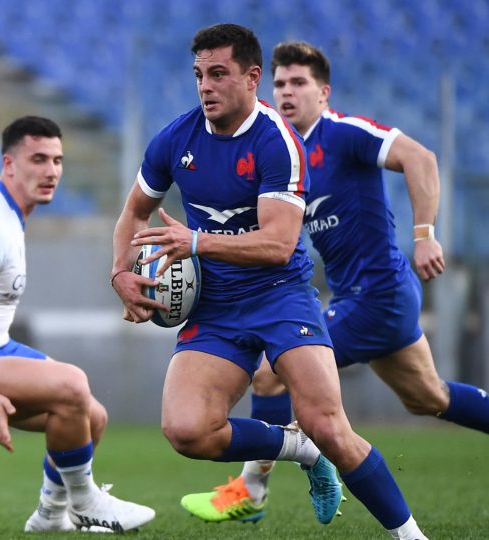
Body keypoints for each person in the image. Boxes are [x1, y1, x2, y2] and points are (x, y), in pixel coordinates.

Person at [180, 40, 489, 525]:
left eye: (299, 83)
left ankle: (252, 490)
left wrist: (425, 234)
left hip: (379, 294)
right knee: (428, 397)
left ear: (323, 93)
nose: (287, 92)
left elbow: (421, 158)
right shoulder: (278, 148)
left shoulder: (343, 134)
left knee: (269, 371)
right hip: (361, 297)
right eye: (280, 83)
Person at [110, 24, 428, 539]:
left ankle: (411, 536)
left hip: (281, 298)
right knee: (187, 431)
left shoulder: (277, 141)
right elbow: (134, 212)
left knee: (329, 425)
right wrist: (121, 272)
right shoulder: (175, 138)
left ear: (251, 77)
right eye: (198, 75)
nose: (205, 86)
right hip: (214, 306)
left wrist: (197, 242)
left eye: (218, 74)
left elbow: (278, 244)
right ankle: (298, 450)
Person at [0, 116, 155, 534]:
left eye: (58, 160)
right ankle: (85, 501)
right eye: (38, 159)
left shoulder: (3, 215)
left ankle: (50, 514)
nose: (51, 171)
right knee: (72, 386)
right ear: (9, 164)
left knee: (92, 416)